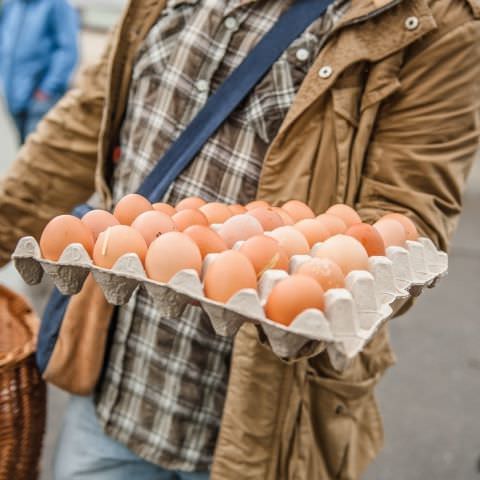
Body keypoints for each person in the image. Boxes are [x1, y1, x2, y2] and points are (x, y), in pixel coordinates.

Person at [0, 0, 479, 478]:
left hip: (265, 422)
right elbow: (86, 119)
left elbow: (404, 219)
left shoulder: (435, 19)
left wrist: (308, 278)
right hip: (120, 384)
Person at [0, 0, 78, 144]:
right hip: (14, 96)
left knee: (35, 154)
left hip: (40, 99)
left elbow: (67, 50)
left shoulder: (56, 5)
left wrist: (47, 89)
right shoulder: (12, 5)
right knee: (22, 148)